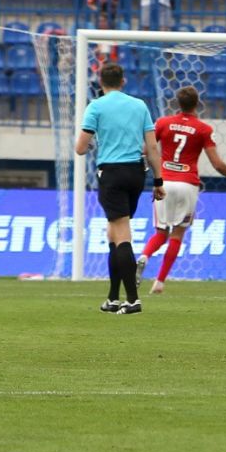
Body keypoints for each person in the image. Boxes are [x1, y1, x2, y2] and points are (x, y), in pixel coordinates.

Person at [136, 86, 226, 293]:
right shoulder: (203, 129)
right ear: (197, 104)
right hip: (187, 184)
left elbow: (147, 150)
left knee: (161, 232)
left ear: (177, 103)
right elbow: (217, 164)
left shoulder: (163, 123)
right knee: (178, 233)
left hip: (163, 181)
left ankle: (144, 256)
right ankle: (160, 282)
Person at [75, 63, 166, 315]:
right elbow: (152, 148)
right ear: (123, 82)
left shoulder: (96, 106)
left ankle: (133, 300)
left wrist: (98, 145)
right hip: (137, 173)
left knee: (121, 233)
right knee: (113, 234)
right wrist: (158, 181)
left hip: (112, 173)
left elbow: (81, 147)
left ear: (100, 82)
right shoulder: (139, 106)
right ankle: (113, 298)